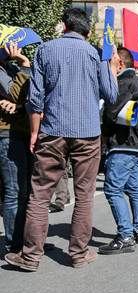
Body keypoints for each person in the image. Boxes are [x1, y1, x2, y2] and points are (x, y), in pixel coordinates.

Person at [5, 8, 119, 271]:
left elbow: (35, 99)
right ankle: (79, 254)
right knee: (85, 195)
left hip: (52, 130)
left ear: (63, 26)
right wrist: (111, 66)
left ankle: (31, 256)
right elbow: (111, 96)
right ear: (88, 32)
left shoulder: (44, 50)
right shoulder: (95, 53)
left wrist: (34, 132)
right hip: (88, 134)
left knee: (40, 194)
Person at [99, 47, 138, 255]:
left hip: (124, 144)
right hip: (137, 145)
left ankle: (126, 236)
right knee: (133, 189)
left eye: (111, 61)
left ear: (120, 63)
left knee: (113, 189)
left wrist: (103, 134)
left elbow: (111, 111)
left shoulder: (124, 83)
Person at [0, 41, 32, 254]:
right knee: (14, 191)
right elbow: (14, 92)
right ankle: (15, 246)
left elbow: (30, 96)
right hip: (7, 134)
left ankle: (26, 240)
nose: (15, 48)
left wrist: (20, 104)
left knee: (27, 191)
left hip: (23, 132)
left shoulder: (11, 68)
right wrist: (25, 63)